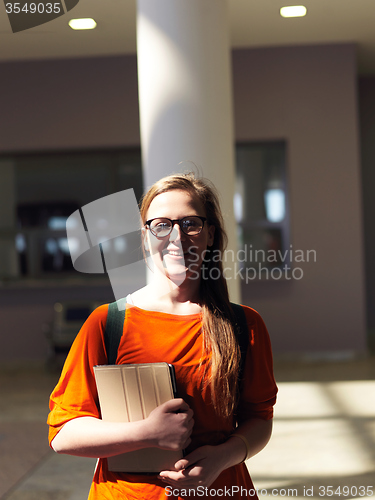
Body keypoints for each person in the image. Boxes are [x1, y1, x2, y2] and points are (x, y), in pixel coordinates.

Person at [47, 172, 278, 500]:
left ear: (210, 234)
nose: (176, 237)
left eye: (190, 224)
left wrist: (222, 459)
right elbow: (63, 433)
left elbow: (259, 419)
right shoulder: (107, 324)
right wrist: (147, 433)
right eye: (161, 225)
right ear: (145, 237)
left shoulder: (244, 325)